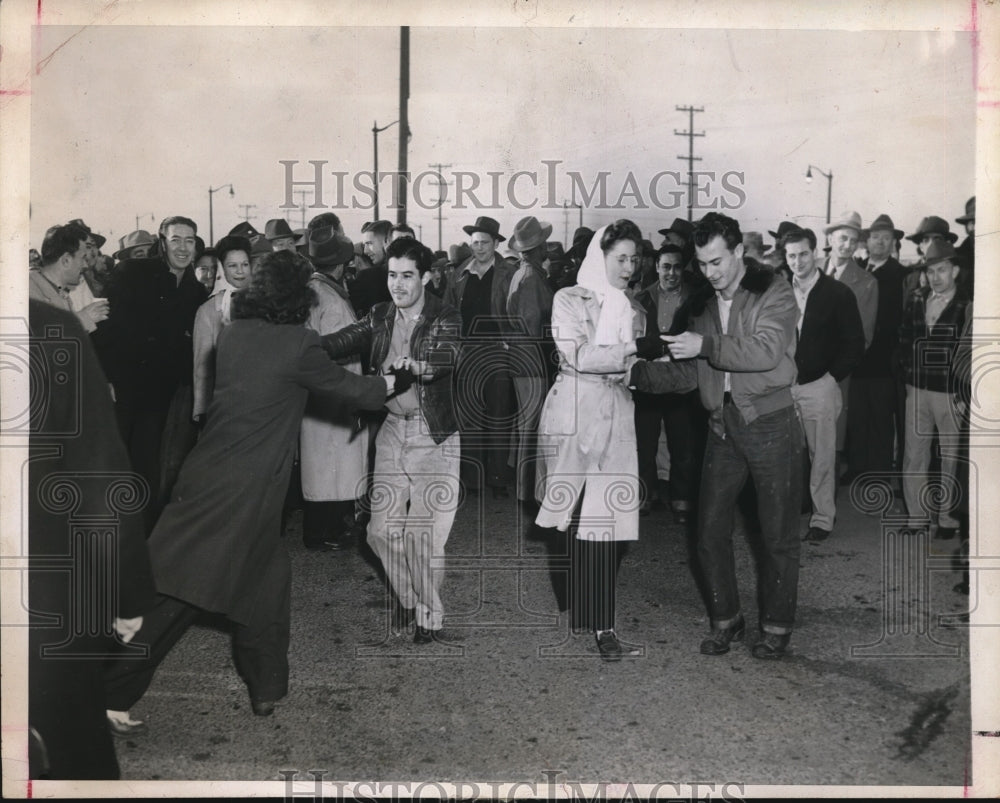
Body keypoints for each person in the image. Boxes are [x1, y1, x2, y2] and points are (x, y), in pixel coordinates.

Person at [103, 250, 402, 730]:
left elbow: (302, 355)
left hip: (211, 477)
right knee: (178, 593)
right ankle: (107, 693)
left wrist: (359, 330)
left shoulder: (236, 335)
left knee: (266, 584)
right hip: (240, 491)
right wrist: (400, 376)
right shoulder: (296, 344)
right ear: (298, 297)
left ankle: (267, 690)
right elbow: (359, 391)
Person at [632, 212, 802, 659]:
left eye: (718, 262)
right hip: (721, 426)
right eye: (703, 265)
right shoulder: (705, 306)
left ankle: (777, 626)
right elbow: (691, 373)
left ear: (739, 251)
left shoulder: (774, 291)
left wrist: (705, 345)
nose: (710, 273)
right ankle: (727, 619)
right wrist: (633, 375)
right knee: (708, 530)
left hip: (771, 423)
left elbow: (766, 351)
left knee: (777, 534)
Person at [28, 300, 154, 777]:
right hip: (39, 608)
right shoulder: (46, 326)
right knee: (71, 760)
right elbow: (98, 477)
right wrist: (124, 592)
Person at [321, 237, 462, 644]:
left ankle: (429, 618)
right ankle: (409, 599)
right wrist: (303, 347)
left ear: (427, 277)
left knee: (423, 535)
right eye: (392, 275)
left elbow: (446, 355)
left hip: (433, 435)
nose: (397, 285)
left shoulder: (445, 316)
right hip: (392, 431)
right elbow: (342, 340)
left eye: (406, 276)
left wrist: (418, 365)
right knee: (379, 532)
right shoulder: (380, 314)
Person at [534, 219, 657, 661]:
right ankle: (578, 603)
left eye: (634, 259)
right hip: (572, 409)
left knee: (606, 522)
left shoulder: (637, 309)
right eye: (620, 258)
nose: (628, 267)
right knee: (566, 517)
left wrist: (655, 364)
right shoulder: (569, 300)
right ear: (599, 258)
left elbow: (634, 372)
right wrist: (632, 352)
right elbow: (578, 354)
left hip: (617, 413)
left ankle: (603, 623)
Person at [95, 215, 208, 528]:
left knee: (145, 466)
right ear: (163, 242)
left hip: (157, 395)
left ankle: (140, 542)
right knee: (110, 463)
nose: (183, 247)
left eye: (189, 241)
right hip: (118, 387)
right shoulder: (132, 272)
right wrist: (103, 377)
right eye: (176, 240)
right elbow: (102, 326)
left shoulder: (196, 292)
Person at [783, 227, 865, 542]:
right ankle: (786, 514)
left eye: (803, 254)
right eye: (791, 255)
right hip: (783, 385)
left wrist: (831, 378)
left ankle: (822, 519)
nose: (798, 261)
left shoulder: (838, 293)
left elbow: (855, 343)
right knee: (786, 455)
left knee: (822, 455)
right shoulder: (779, 290)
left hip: (819, 385)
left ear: (815, 253)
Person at [299, 226, 370, 551]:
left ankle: (326, 527)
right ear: (341, 265)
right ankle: (326, 531)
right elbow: (339, 347)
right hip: (336, 388)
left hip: (318, 390)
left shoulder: (312, 289)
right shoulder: (332, 299)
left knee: (323, 461)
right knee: (334, 463)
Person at [898, 241, 971, 539]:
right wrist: (907, 376)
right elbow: (904, 340)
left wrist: (964, 393)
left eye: (942, 269)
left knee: (952, 455)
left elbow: (970, 354)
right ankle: (916, 517)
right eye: (931, 271)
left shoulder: (966, 306)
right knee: (914, 453)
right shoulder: (917, 299)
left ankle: (948, 519)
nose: (937, 276)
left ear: (954, 270)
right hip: (917, 389)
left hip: (950, 393)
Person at [632, 242, 707, 523]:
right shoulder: (641, 298)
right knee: (645, 442)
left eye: (677, 267)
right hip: (649, 380)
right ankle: (644, 496)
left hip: (680, 380)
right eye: (666, 267)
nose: (671, 273)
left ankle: (681, 499)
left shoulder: (697, 300)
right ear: (656, 267)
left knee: (683, 443)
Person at [444, 215, 517, 498]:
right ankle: (472, 480)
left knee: (499, 415)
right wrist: (454, 345)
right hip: (467, 351)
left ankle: (498, 477)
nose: (479, 248)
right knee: (469, 415)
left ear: (496, 243)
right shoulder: (459, 273)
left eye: (485, 243)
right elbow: (448, 313)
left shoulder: (509, 274)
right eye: (475, 243)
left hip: (498, 350)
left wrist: (509, 342)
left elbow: (516, 312)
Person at [846, 214, 908, 480]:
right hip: (855, 358)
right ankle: (857, 467)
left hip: (884, 358)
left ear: (893, 243)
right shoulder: (856, 269)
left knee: (882, 415)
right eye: (875, 237)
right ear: (867, 241)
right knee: (856, 412)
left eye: (886, 237)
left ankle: (880, 470)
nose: (880, 242)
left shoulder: (901, 275)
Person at [505, 216, 556, 511]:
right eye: (544, 242)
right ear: (537, 247)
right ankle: (527, 492)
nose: (547, 246)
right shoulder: (532, 279)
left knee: (525, 422)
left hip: (521, 356)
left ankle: (524, 487)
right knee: (532, 423)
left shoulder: (522, 274)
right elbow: (533, 325)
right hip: (531, 359)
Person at [191, 235, 253, 422]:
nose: (240, 272)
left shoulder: (264, 302)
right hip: (223, 405)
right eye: (232, 266)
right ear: (221, 268)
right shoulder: (208, 311)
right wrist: (201, 410)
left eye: (245, 264)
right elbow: (202, 367)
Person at [29, 223, 110, 334]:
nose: (85, 265)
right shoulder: (29, 289)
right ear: (66, 260)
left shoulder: (60, 293)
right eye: (82, 258)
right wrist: (83, 318)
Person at [350, 219, 393, 316]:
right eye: (364, 245)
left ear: (387, 242)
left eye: (369, 243)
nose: (365, 251)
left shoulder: (367, 277)